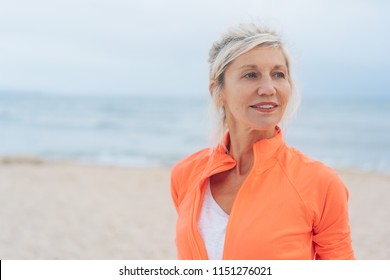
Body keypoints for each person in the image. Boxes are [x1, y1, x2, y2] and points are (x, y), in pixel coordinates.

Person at [170, 23, 355, 260]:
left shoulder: (321, 183)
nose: (269, 88)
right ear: (218, 91)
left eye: (279, 74)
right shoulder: (186, 174)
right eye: (250, 75)